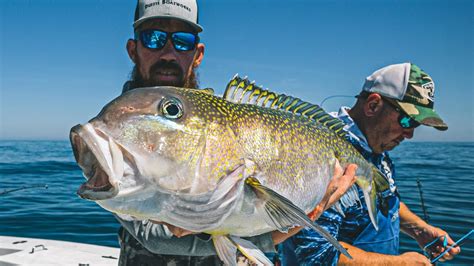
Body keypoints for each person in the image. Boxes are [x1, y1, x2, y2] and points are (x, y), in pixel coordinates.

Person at [116, 0, 359, 265]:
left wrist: (315, 206)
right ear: (133, 49)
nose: (168, 53)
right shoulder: (117, 129)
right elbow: (153, 234)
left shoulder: (226, 118)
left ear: (198, 54)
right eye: (153, 38)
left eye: (182, 41)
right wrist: (276, 233)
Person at [280, 62, 461, 265]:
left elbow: (384, 200)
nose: (410, 134)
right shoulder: (323, 154)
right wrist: (399, 264)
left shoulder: (375, 143)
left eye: (416, 125)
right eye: (407, 121)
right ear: (373, 105)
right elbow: (316, 253)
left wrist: (419, 229)